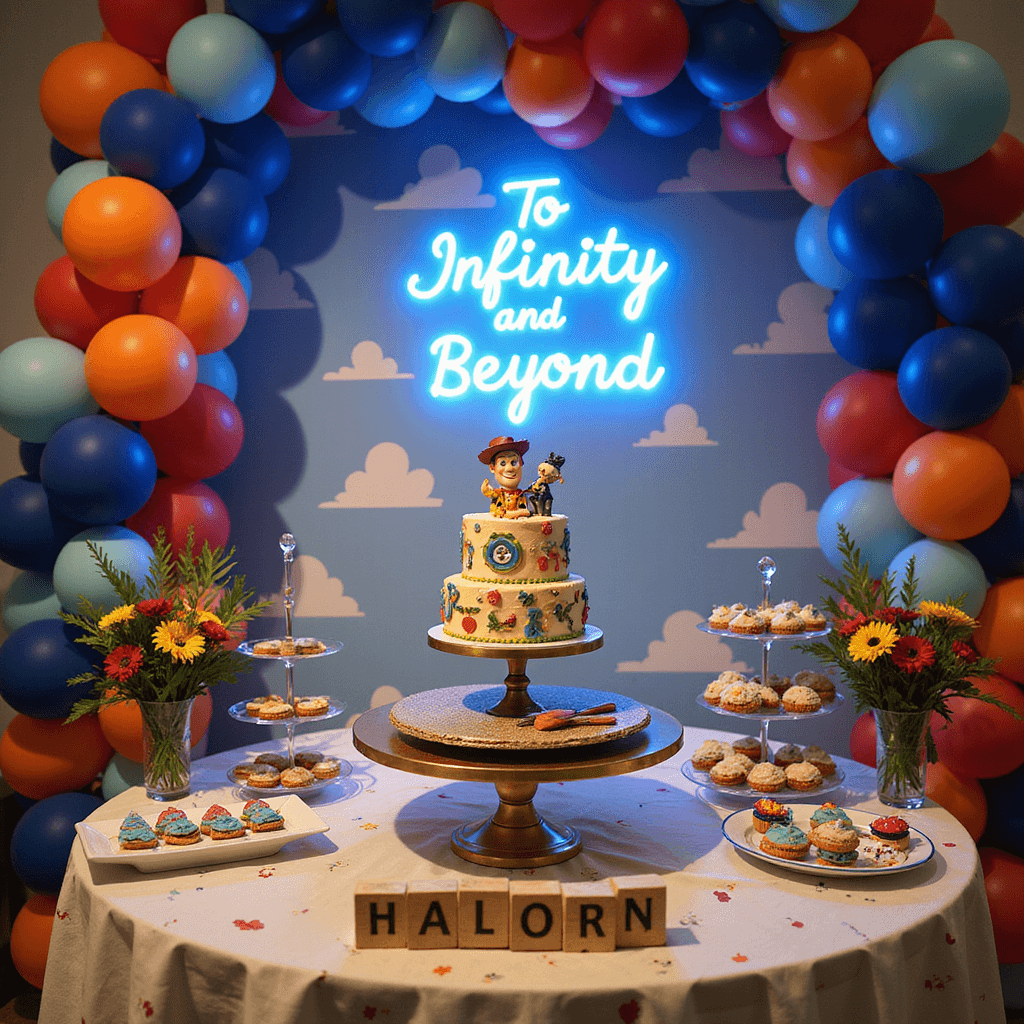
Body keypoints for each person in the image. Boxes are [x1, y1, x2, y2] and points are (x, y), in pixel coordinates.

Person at [479, 435, 532, 519]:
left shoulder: (526, 496)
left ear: (521, 464)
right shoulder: (497, 495)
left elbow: (530, 510)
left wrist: (518, 513)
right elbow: (491, 500)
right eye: (502, 463)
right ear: (492, 467)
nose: (509, 469)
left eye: (514, 462)